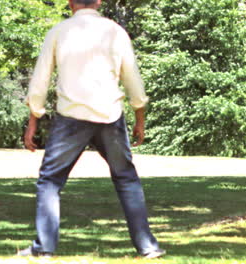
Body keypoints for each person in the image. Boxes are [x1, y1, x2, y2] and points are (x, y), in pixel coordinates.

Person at [18, 0, 165, 259]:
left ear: (69, 2)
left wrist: (34, 119)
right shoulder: (115, 32)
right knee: (126, 178)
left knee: (50, 181)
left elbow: (40, 79)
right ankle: (147, 246)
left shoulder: (59, 31)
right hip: (110, 115)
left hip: (71, 117)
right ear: (98, 2)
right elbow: (132, 77)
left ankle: (44, 248)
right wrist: (139, 117)